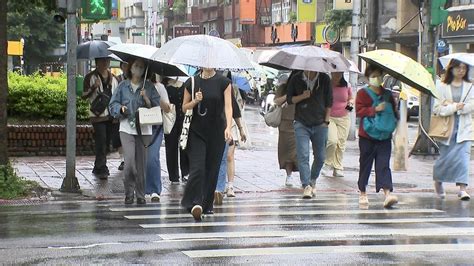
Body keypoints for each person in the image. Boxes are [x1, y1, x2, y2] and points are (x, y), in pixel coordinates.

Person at [181, 68, 233, 221]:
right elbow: (184, 107)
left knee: (212, 169)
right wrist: (195, 101)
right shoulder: (192, 81)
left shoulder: (224, 82)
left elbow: (228, 107)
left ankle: (207, 204)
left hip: (217, 131)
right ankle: (195, 203)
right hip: (196, 132)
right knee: (197, 168)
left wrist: (228, 127)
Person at [109, 58, 160, 205]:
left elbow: (157, 107)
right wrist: (121, 109)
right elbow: (113, 104)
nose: (138, 69)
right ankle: (128, 192)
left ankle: (140, 194)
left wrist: (146, 98)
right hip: (126, 128)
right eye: (136, 66)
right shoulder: (123, 86)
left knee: (142, 164)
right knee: (130, 162)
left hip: (144, 129)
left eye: (141, 67)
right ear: (130, 68)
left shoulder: (149, 87)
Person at [356, 64, 398, 208]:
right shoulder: (362, 93)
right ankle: (362, 192)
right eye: (373, 76)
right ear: (368, 78)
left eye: (378, 75)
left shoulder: (387, 94)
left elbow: (394, 113)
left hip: (385, 136)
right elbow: (359, 111)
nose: (376, 78)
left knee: (383, 165)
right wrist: (374, 109)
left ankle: (387, 193)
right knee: (365, 165)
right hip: (367, 136)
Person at [287, 70, 332, 199]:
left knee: (321, 157)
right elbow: (290, 99)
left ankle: (312, 179)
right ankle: (306, 185)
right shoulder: (296, 78)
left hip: (320, 123)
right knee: (303, 154)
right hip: (301, 122)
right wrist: (302, 96)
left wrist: (326, 121)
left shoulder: (324, 78)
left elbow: (329, 101)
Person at [433, 59, 473, 201]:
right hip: (446, 129)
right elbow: (437, 108)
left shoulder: (470, 86)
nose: (461, 71)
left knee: (463, 159)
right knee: (445, 159)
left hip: (464, 128)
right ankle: (438, 181)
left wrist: (463, 108)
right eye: (458, 68)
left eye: (464, 68)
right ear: (451, 69)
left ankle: (462, 189)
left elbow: (472, 104)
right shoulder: (442, 86)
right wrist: (455, 107)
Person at [82, 57, 119, 179]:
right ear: (96, 63)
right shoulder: (90, 77)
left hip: (110, 115)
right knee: (101, 140)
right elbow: (84, 95)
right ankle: (102, 167)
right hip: (97, 115)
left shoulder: (114, 78)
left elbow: (117, 96)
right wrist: (93, 87)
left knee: (107, 142)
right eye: (102, 61)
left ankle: (98, 166)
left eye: (107, 61)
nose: (105, 64)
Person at [214, 72, 247, 204]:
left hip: (228, 126)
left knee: (228, 156)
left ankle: (229, 186)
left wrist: (241, 129)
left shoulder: (226, 87)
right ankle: (215, 185)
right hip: (212, 128)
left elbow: (235, 111)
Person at [145, 74, 172, 202]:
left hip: (155, 126)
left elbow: (167, 108)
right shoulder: (136, 87)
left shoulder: (159, 87)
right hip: (140, 127)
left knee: (152, 158)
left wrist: (156, 97)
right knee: (141, 159)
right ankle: (144, 188)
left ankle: (155, 189)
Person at [321, 72, 354, 177]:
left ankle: (338, 167)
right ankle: (327, 163)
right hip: (330, 117)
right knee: (332, 141)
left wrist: (351, 103)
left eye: (339, 73)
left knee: (341, 143)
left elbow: (351, 98)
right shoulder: (327, 85)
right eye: (335, 73)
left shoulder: (346, 85)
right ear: (331, 73)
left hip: (344, 117)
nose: (337, 75)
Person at [273, 72, 298, 186]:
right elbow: (277, 101)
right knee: (286, 152)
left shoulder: (302, 89)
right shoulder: (283, 88)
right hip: (284, 124)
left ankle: (303, 174)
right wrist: (288, 95)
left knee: (297, 152)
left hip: (298, 123)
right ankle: (289, 175)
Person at [164, 77, 190, 184]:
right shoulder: (165, 85)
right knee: (171, 147)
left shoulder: (186, 84)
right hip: (170, 120)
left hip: (184, 118)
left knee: (184, 145)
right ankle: (173, 176)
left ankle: (186, 172)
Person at [114, 62, 128, 171]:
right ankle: (123, 160)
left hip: (131, 112)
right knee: (120, 137)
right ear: (121, 67)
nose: (127, 67)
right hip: (120, 112)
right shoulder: (117, 79)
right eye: (124, 65)